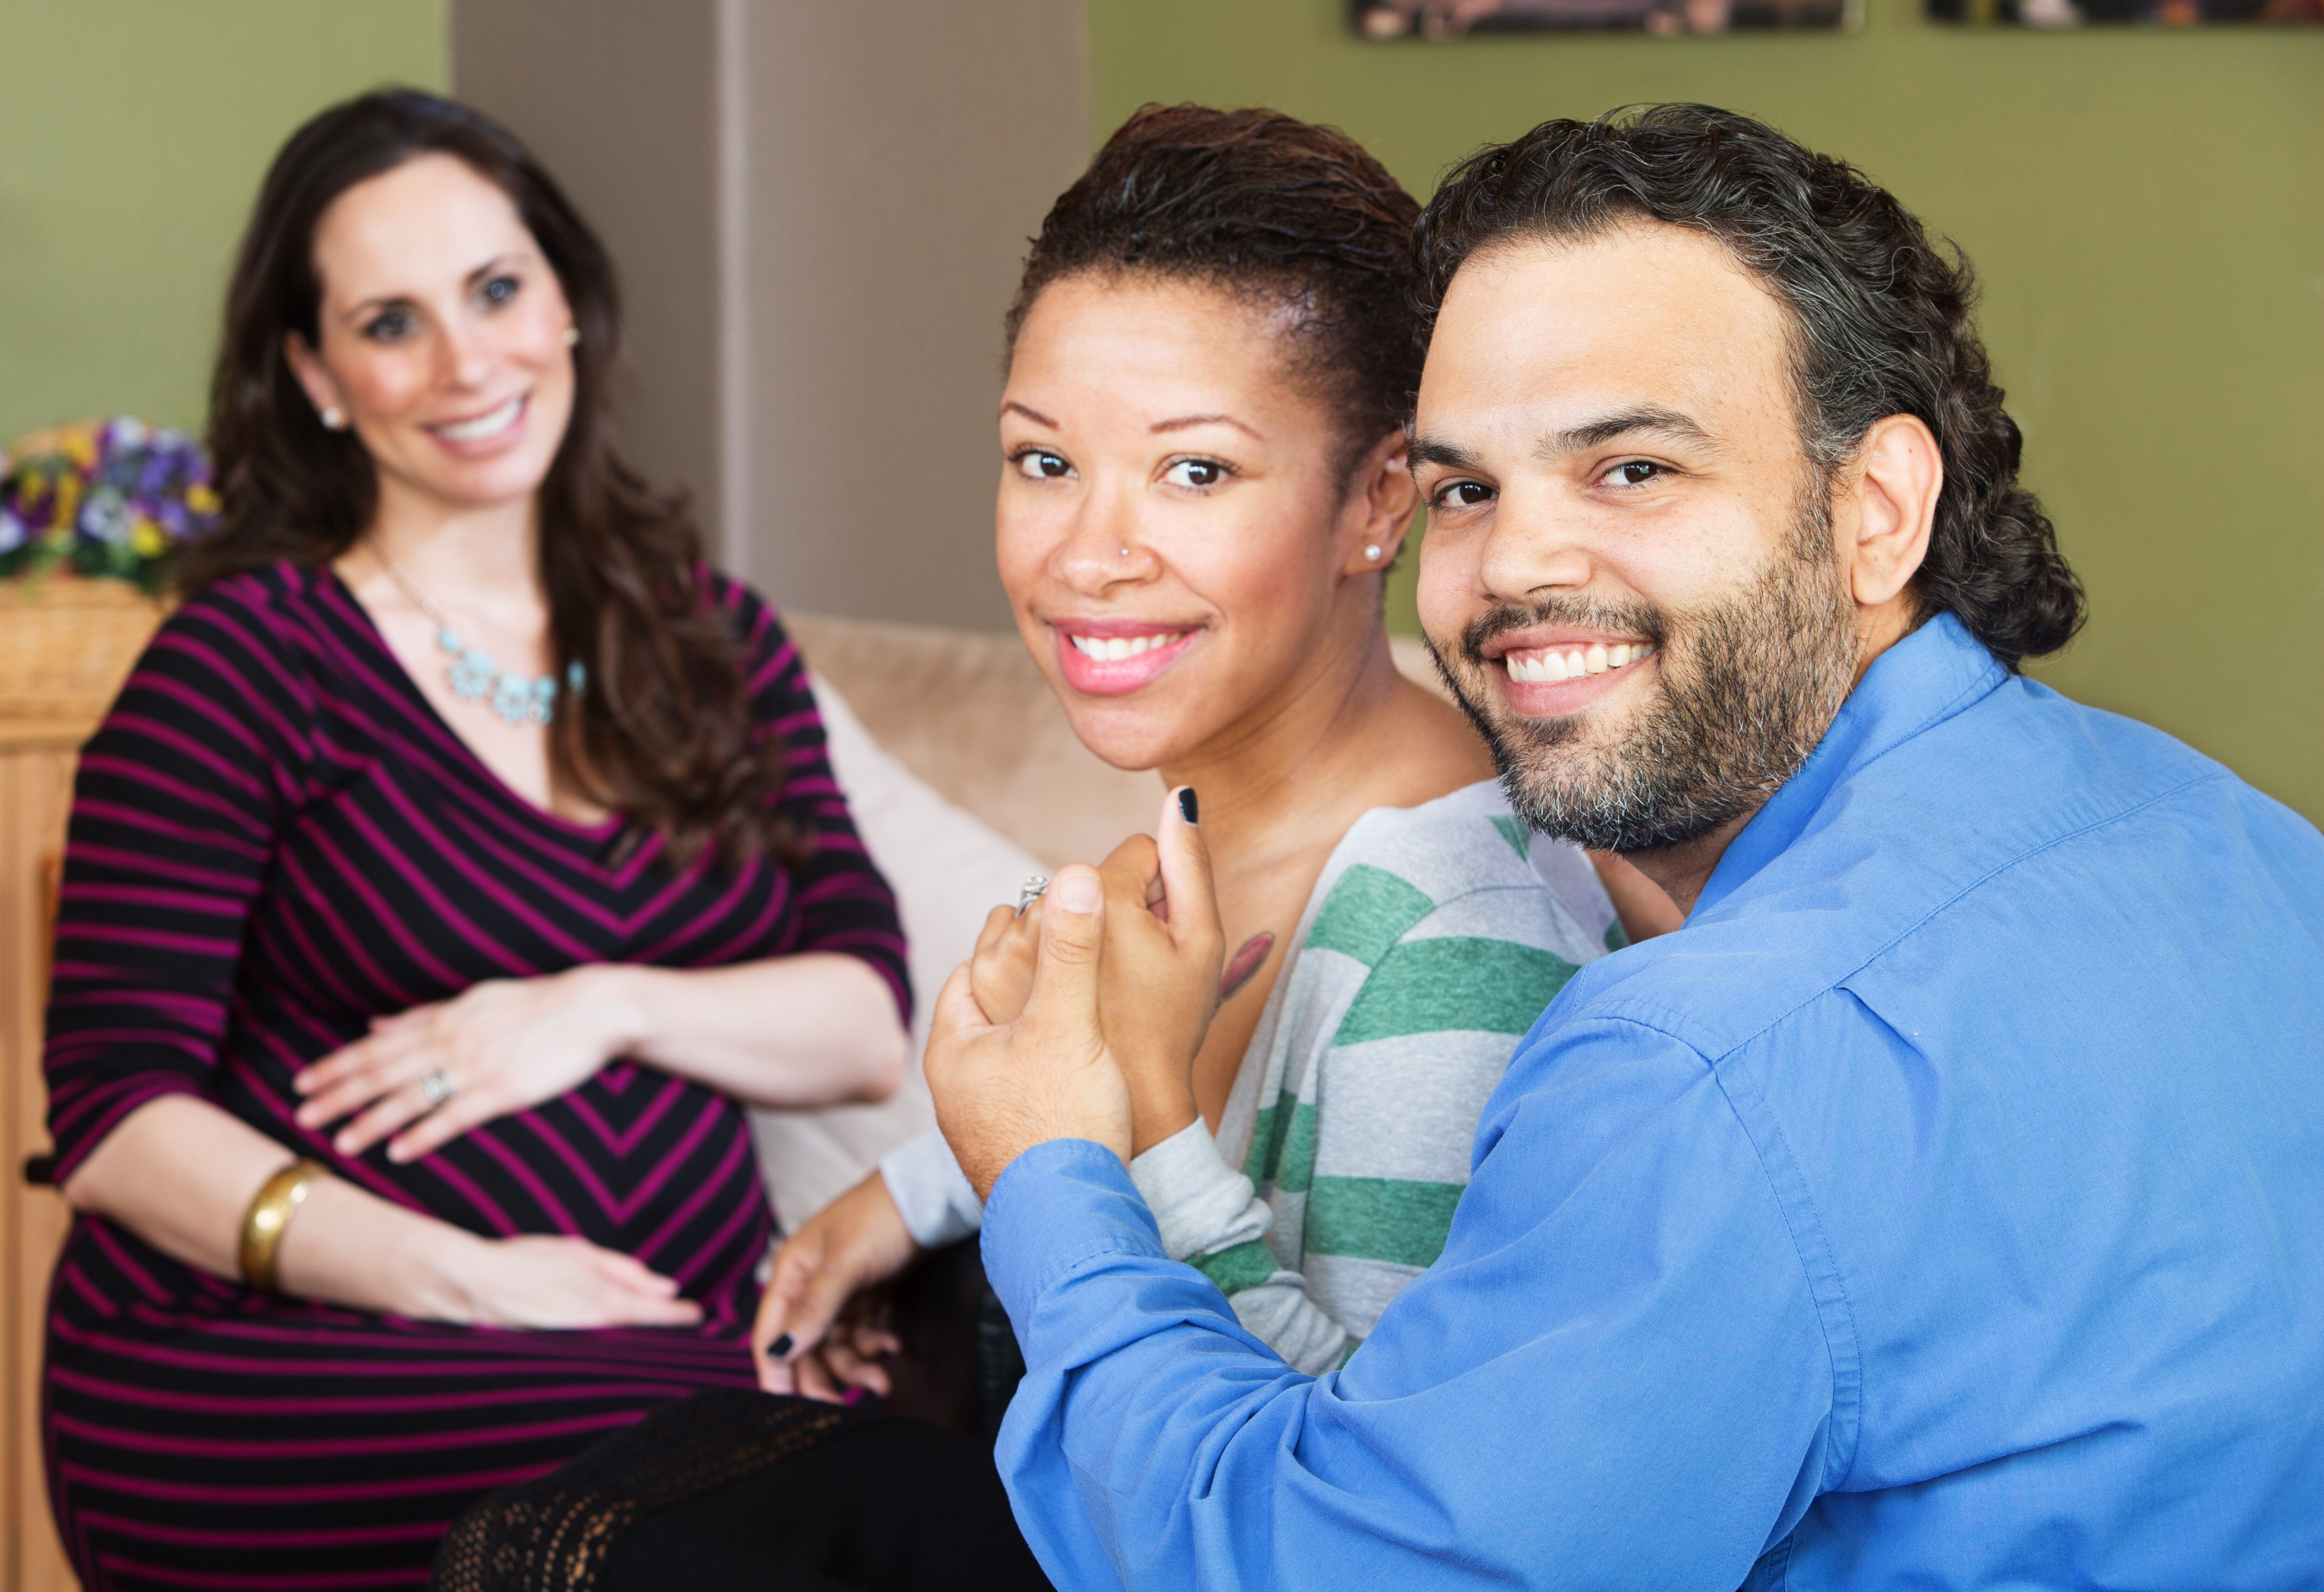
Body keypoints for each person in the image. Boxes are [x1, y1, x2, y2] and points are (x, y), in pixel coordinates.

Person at [925, 103, 2324, 1590]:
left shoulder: (1696, 1062)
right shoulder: (2231, 834)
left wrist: (1051, 1175)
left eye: (1631, 470)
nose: (1515, 562)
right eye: (1470, 487)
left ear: (1878, 509)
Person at [40, 91, 915, 1589]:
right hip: (280, 1362)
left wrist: (594, 1008)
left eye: (497, 291)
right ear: (318, 375)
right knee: (842, 1489)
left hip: (643, 1343)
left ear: (565, 302)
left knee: (911, 1470)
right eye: (392, 322)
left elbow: (861, 1022)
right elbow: (117, 1118)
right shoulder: (243, 660)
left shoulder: (711, 644)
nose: (466, 363)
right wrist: (462, 1276)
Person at [749, 104, 1676, 1405]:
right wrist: (911, 1192)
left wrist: (1117, 1110)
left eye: (1193, 472)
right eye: (1044, 459)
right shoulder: (1216, 815)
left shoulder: (1446, 942)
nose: (1084, 554)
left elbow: (1375, 1485)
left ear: (1378, 501)